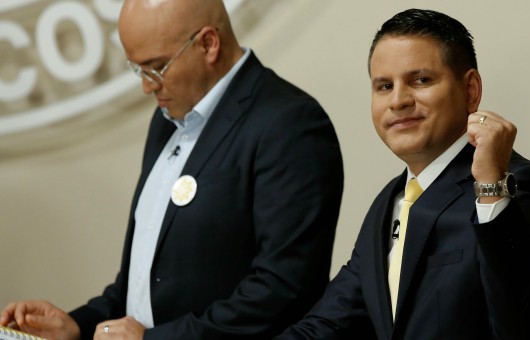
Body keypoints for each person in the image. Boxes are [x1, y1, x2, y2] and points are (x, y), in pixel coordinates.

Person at [0, 0, 344, 338]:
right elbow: (146, 284)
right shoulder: (167, 120)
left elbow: (282, 291)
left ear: (208, 44)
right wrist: (80, 324)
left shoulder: (289, 124)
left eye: (157, 67)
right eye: (137, 69)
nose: (147, 86)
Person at [276, 8, 530, 340]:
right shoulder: (389, 202)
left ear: (471, 90)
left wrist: (491, 188)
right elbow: (327, 325)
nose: (399, 100)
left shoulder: (518, 185)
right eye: (384, 86)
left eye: (420, 80)